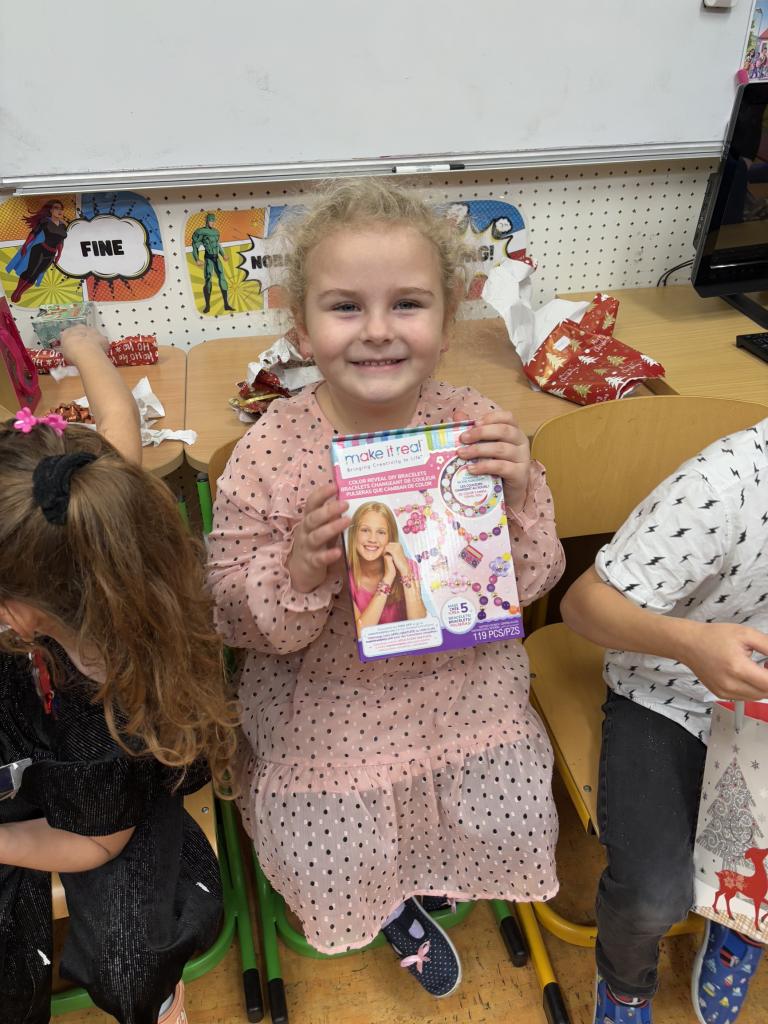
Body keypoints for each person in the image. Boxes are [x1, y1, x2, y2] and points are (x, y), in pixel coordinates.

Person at [207, 178, 565, 998]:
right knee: (341, 842)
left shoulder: (475, 426)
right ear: (301, 326)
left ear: (448, 318)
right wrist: (299, 569)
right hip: (329, 700)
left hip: (463, 686)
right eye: (345, 307)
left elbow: (533, 579)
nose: (376, 330)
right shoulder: (272, 450)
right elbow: (229, 611)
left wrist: (517, 498)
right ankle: (388, 902)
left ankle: (429, 870)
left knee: (500, 801)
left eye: (407, 303)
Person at [0, 326, 238, 1024]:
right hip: (62, 743)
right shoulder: (95, 507)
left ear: (17, 615)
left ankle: (160, 1001)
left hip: (109, 797)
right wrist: (84, 347)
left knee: (130, 953)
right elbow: (118, 421)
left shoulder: (111, 710)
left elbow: (96, 842)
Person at [560, 419, 768, 1024]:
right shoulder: (729, 484)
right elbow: (583, 605)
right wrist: (691, 644)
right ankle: (625, 987)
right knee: (652, 896)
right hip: (667, 692)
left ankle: (741, 925)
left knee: (755, 875)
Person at [347, 501, 426, 628]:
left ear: (390, 538)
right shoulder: (345, 579)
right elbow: (361, 633)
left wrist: (405, 570)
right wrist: (388, 578)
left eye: (381, 532)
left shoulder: (407, 567)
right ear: (354, 534)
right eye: (365, 530)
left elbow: (420, 626)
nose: (372, 539)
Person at [8, 200, 69, 304]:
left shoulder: (63, 226)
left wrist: (59, 254)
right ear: (51, 210)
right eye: (56, 208)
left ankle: (20, 293)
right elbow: (34, 233)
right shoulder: (45, 221)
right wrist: (25, 245)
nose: (60, 211)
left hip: (51, 255)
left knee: (36, 275)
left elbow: (60, 241)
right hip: (40, 249)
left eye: (61, 209)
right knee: (30, 272)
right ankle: (17, 290)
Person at [191, 213, 234, 313]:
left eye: (213, 220)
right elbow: (195, 246)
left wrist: (223, 254)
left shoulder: (216, 232)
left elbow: (217, 245)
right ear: (206, 220)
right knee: (208, 279)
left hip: (217, 258)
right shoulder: (200, 231)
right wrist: (196, 259)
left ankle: (226, 304)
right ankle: (207, 306)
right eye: (210, 220)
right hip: (209, 258)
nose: (212, 222)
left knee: (222, 278)